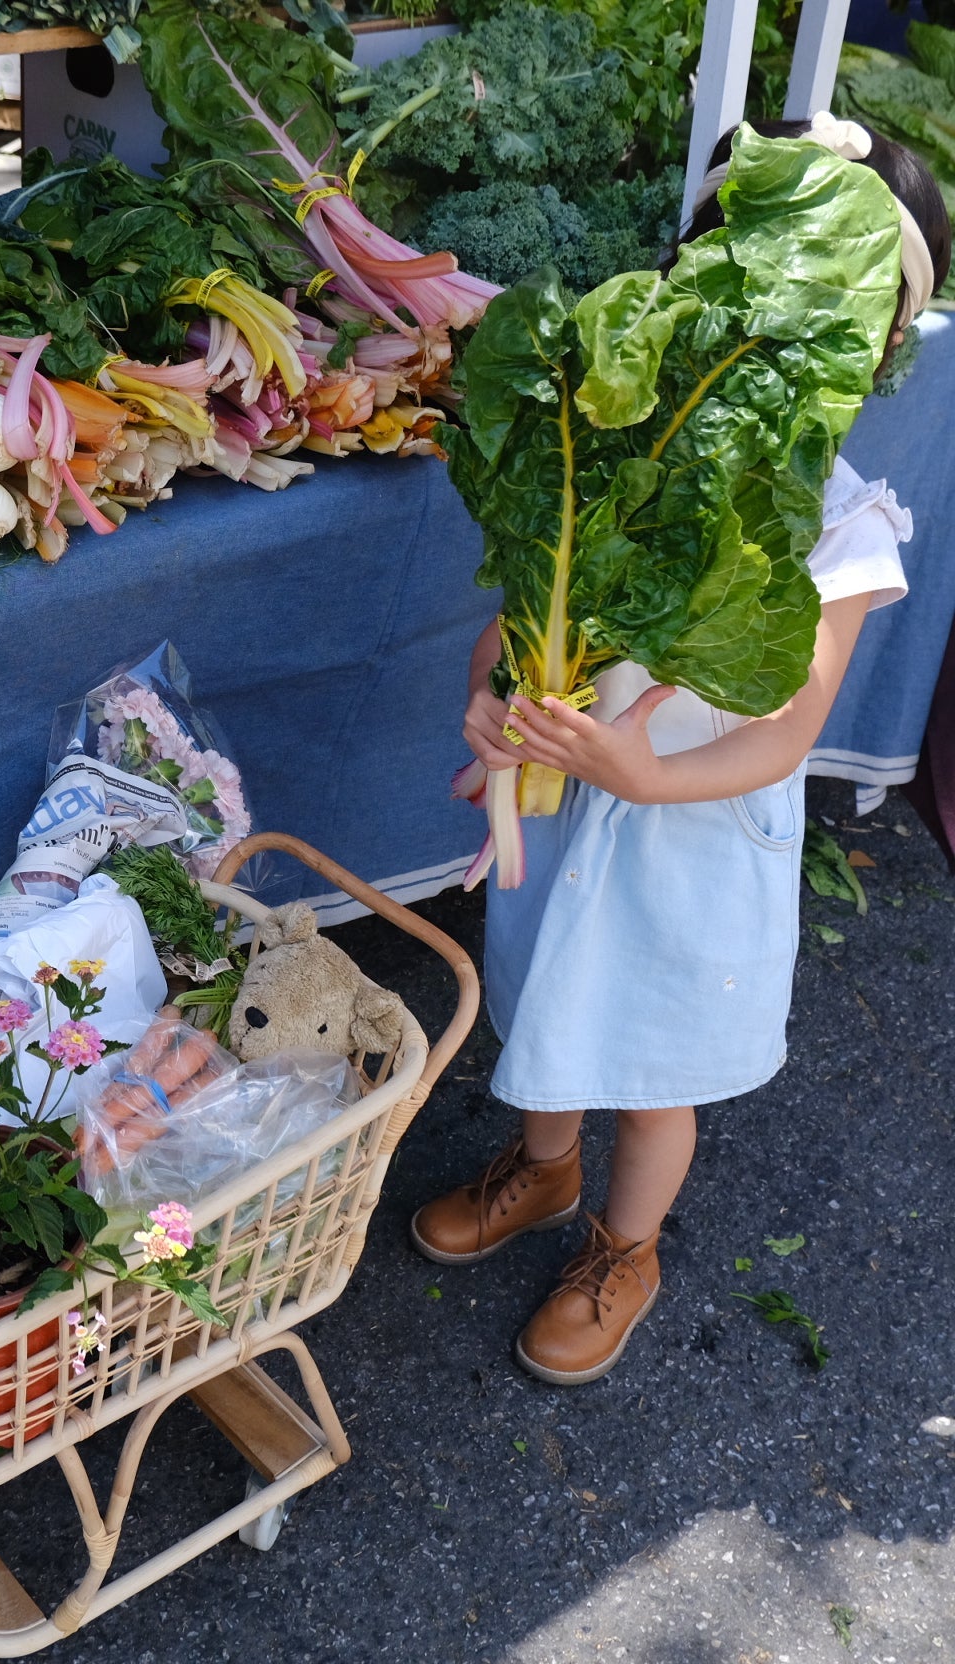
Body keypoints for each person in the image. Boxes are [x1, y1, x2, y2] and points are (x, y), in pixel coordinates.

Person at [410, 115, 954, 1386]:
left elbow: (787, 729)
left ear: (863, 345)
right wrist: (489, 704)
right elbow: (513, 621)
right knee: (544, 992)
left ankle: (624, 1244)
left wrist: (649, 775)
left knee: (653, 1061)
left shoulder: (843, 525)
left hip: (695, 834)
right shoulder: (616, 455)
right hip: (562, 806)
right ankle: (544, 1172)